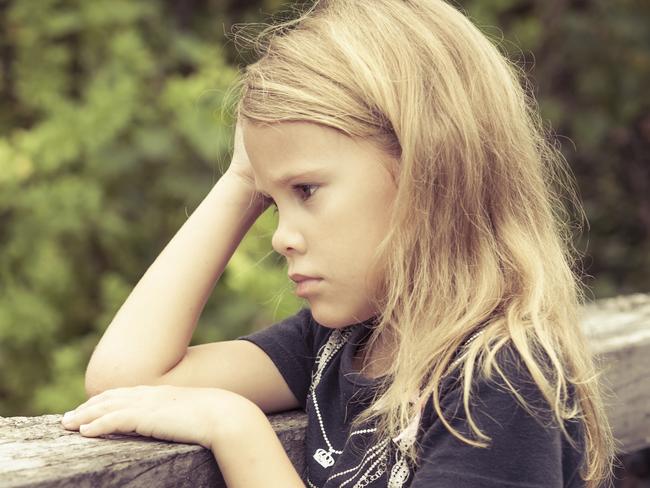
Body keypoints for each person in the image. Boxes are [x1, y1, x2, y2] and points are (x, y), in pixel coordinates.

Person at [61, 0, 617, 486]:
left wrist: (237, 431)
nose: (279, 238)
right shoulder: (345, 342)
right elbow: (126, 379)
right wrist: (239, 181)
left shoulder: (503, 380)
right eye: (273, 202)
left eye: (306, 189)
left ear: (429, 168)